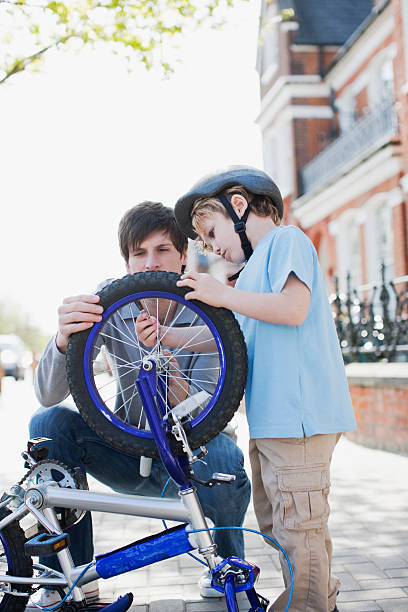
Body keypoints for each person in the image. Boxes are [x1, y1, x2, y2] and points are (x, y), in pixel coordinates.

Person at [29, 201, 251, 607]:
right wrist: (62, 339)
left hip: (193, 458)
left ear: (183, 256)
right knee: (49, 423)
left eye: (163, 250)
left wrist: (165, 360)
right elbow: (47, 393)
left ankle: (226, 564)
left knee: (229, 458)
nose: (151, 261)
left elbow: (208, 414)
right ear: (126, 262)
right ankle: (75, 576)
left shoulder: (211, 311)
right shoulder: (110, 303)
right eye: (140, 253)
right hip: (126, 450)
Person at [169, 165, 356, 612]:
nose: (215, 248)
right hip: (274, 423)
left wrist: (224, 295)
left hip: (300, 420)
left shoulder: (286, 241)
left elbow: (293, 308)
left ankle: (306, 605)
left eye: (213, 233)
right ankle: (316, 600)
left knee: (299, 529)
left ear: (239, 206)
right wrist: (169, 337)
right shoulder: (251, 273)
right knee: (283, 526)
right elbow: (234, 337)